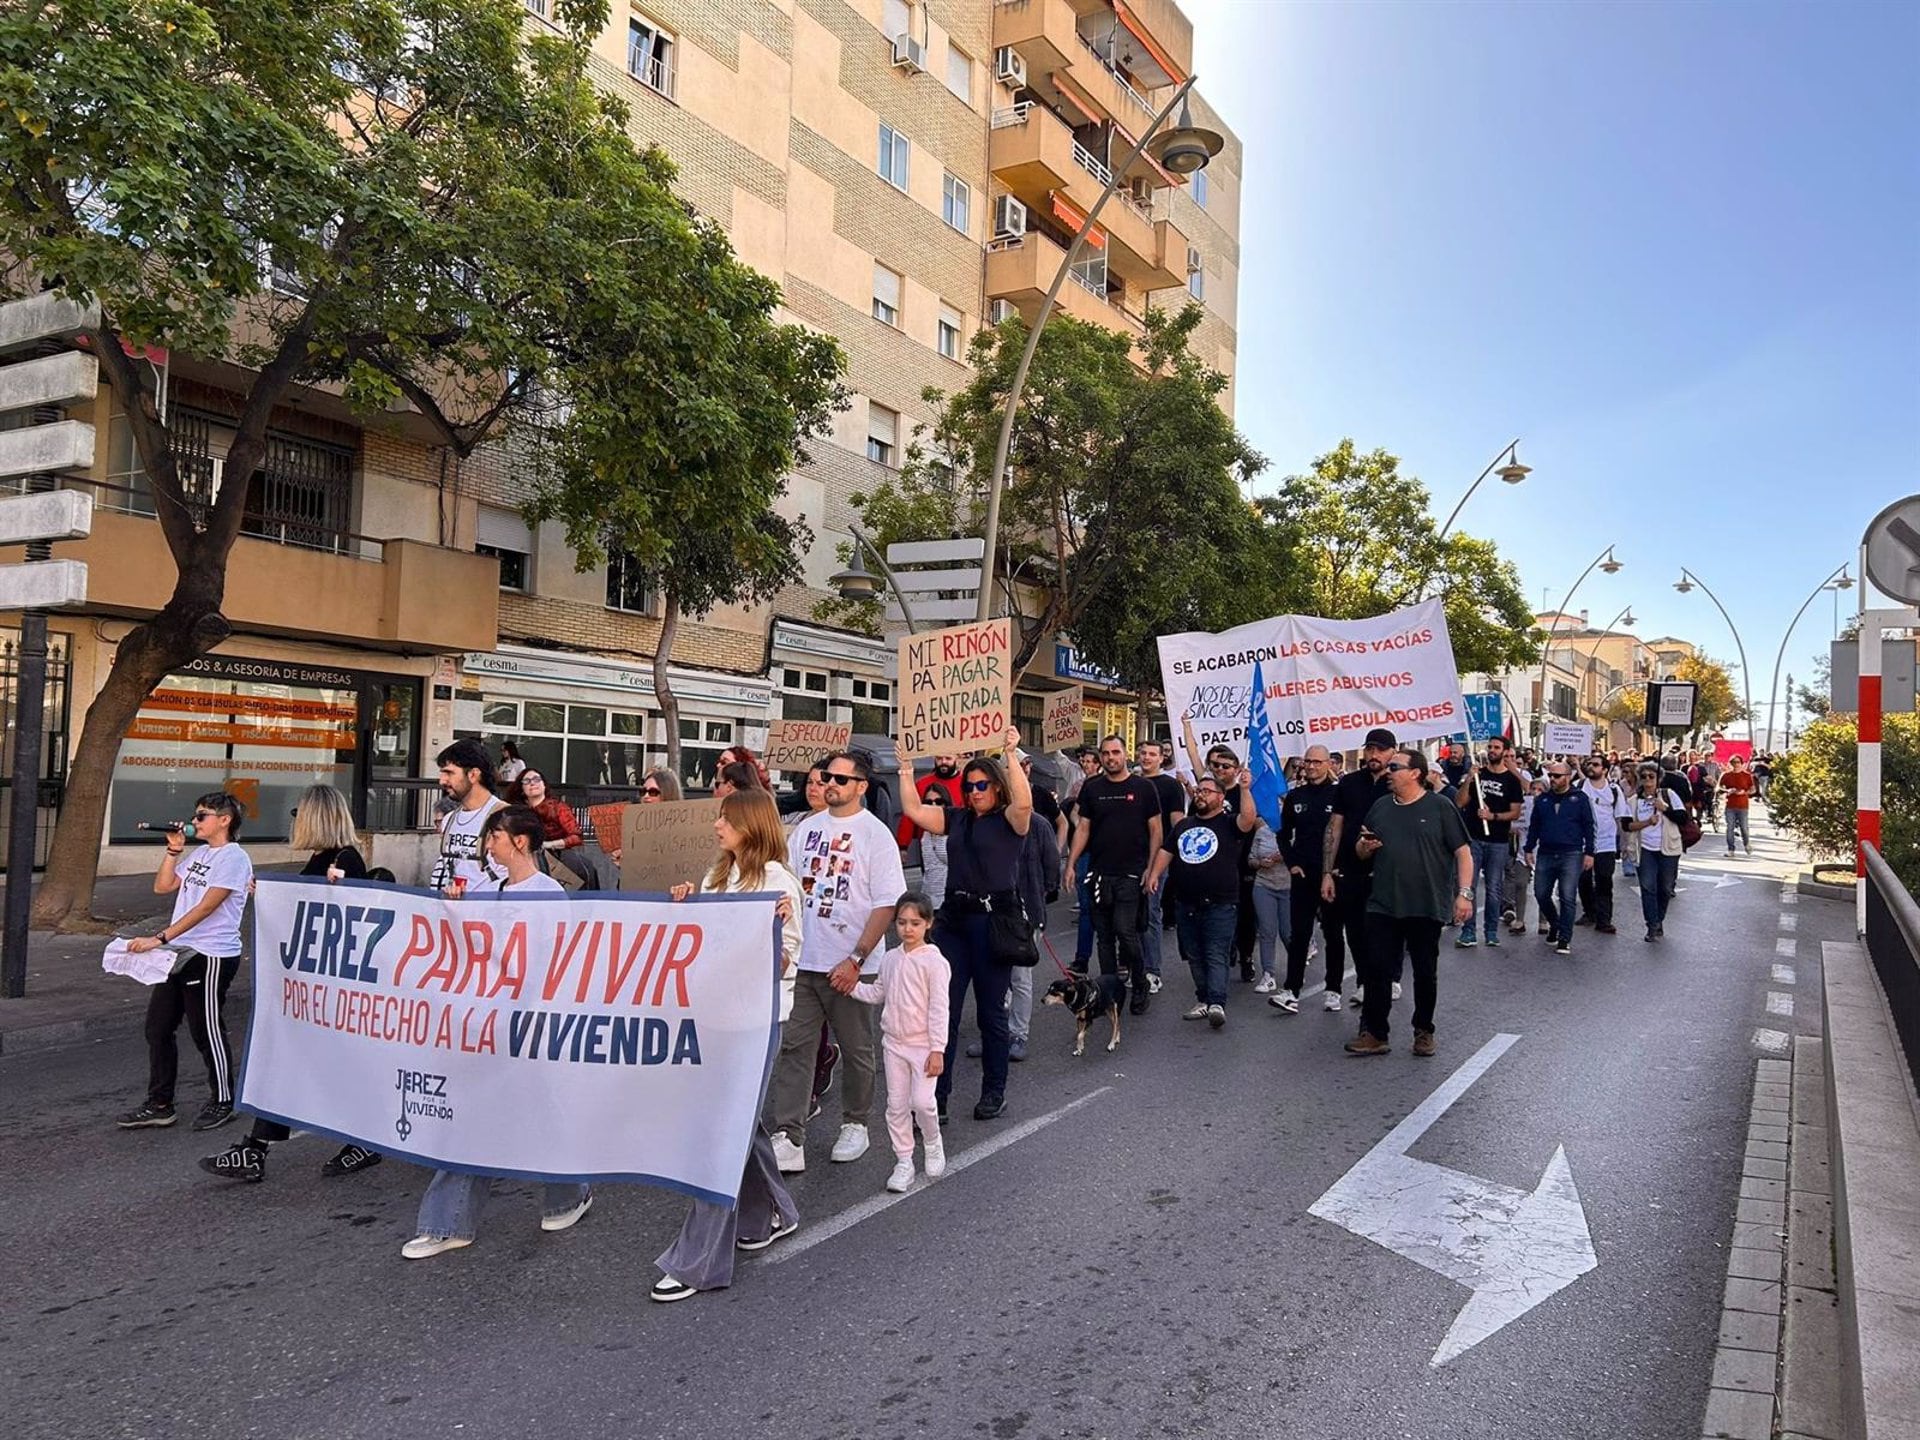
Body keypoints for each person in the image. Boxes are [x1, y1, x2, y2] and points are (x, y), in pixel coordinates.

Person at [402, 806, 585, 1260]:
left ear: (520, 842)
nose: (488, 846)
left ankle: (568, 1192)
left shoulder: (548, 895)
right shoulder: (488, 890)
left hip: (528, 1024)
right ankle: (449, 1223)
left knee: (538, 1114)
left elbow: (560, 964)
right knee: (473, 1114)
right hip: (487, 1024)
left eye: (495, 837)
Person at [651, 789, 805, 1300]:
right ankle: (772, 1212)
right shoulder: (718, 877)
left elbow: (787, 963)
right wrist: (683, 908)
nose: (716, 824)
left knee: (723, 1131)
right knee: (743, 1124)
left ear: (749, 825)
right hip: (717, 1017)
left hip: (756, 1021)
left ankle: (696, 1261)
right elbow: (703, 944)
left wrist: (772, 932)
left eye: (725, 818)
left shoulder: (779, 882)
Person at [199, 785, 381, 1182]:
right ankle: (256, 1148)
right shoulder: (322, 858)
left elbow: (353, 914)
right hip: (314, 986)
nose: (295, 820)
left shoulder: (345, 858)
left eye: (301, 813)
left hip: (336, 987)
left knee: (331, 1064)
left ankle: (363, 1137)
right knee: (291, 1062)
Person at [771, 751, 904, 1172]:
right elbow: (788, 888)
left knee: (856, 1047)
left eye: (840, 779)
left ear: (861, 787)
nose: (830, 784)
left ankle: (856, 1123)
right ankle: (789, 1135)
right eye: (827, 776)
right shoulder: (806, 828)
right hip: (805, 961)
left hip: (850, 964)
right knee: (796, 1047)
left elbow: (886, 905)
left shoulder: (875, 835)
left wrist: (856, 957)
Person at [896, 730, 1033, 1123]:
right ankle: (937, 1098)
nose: (974, 792)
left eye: (982, 785)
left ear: (996, 786)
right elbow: (915, 812)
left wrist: (1009, 753)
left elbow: (1022, 802)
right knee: (944, 1012)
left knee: (991, 1013)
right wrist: (907, 770)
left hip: (994, 923)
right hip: (955, 921)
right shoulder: (955, 818)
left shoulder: (1011, 820)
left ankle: (994, 1091)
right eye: (969, 786)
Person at [116, 792, 255, 1131]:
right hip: (179, 952)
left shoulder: (234, 859)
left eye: (202, 816)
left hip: (210, 955)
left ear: (224, 820)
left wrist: (159, 937)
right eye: (195, 816)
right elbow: (164, 886)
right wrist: (174, 850)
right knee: (158, 1028)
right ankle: (160, 1103)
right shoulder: (200, 854)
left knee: (205, 1029)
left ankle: (224, 1098)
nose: (195, 822)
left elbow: (206, 907)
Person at [1345, 749, 1472, 1058]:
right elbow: (1362, 850)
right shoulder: (1380, 807)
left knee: (1424, 972)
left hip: (1425, 904)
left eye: (1395, 766)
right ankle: (1375, 1033)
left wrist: (1464, 894)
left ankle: (1423, 1030)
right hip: (1383, 902)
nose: (1388, 771)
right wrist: (1364, 846)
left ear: (1415, 773)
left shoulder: (1440, 807)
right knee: (1377, 969)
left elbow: (1463, 853)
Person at [838, 892, 949, 1193]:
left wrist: (937, 1048)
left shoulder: (935, 963)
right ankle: (904, 1160)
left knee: (923, 1103)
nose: (907, 929)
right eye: (901, 922)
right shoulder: (890, 959)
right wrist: (851, 988)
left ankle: (932, 1142)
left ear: (928, 924)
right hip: (894, 1045)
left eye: (915, 923)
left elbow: (940, 1008)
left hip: (924, 1045)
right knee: (896, 1106)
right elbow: (877, 994)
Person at [1147, 767, 1258, 1028]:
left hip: (1220, 902)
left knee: (1215, 953)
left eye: (1207, 791)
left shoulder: (1230, 823)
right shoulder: (1185, 824)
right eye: (1198, 791)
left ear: (1221, 797)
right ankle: (1204, 999)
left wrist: (1244, 788)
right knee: (1194, 954)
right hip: (1186, 902)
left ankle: (1217, 1002)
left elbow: (1249, 818)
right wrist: (1154, 874)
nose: (1200, 795)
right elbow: (1167, 850)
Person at [1063, 734, 1163, 1015]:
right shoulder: (1092, 788)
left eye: (1115, 752)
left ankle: (1140, 981)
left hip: (1132, 874)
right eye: (1105, 753)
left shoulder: (1143, 787)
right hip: (1099, 873)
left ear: (1125, 754)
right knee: (1104, 936)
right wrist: (1071, 863)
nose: (1110, 758)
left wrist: (1152, 868)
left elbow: (1156, 830)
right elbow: (1083, 827)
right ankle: (1109, 990)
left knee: (1125, 931)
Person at [1322, 728, 1396, 1010]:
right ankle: (1365, 982)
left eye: (1380, 749)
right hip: (1351, 871)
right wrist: (1327, 872)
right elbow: (1335, 828)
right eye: (1370, 749)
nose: (1373, 755)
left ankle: (1382, 980)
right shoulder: (1349, 783)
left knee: (1381, 932)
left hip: (1387, 872)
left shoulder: (1396, 783)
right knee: (1354, 931)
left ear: (1392, 751)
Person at [1273, 745, 1343, 1014]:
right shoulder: (1295, 796)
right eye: (1307, 762)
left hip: (1331, 875)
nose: (1311, 767)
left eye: (1316, 762)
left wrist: (1336, 868)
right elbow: (1282, 834)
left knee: (1333, 933)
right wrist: (1291, 863)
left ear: (1328, 763)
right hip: (1303, 875)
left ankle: (1334, 989)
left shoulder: (1338, 794)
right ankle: (1291, 989)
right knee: (1299, 933)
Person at [1455, 738, 1523, 949]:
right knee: (1469, 887)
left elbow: (1515, 812)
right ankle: (1468, 932)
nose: (1492, 751)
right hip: (1474, 838)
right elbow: (1460, 801)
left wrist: (1492, 816)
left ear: (1505, 751)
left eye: (1497, 748)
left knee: (1494, 888)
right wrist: (1469, 779)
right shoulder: (1478, 774)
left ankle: (1491, 931)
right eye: (1490, 747)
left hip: (1498, 841)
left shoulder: (1511, 780)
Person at [1523, 762, 1596, 957]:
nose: (1553, 779)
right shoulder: (1543, 800)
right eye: (1551, 775)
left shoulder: (1580, 799)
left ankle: (1564, 937)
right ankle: (1555, 923)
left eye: (1557, 776)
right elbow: (1534, 826)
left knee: (1567, 896)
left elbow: (1589, 826)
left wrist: (1589, 852)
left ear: (1568, 776)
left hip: (1571, 853)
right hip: (1546, 852)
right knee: (1541, 893)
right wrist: (1528, 848)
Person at [1134, 738, 1186, 994]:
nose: (1146, 758)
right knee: (1128, 916)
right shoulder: (1131, 782)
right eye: (1143, 753)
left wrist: (1176, 853)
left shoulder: (1170, 786)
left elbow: (1177, 821)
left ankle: (1152, 971)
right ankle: (1134, 967)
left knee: (1151, 913)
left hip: (1158, 858)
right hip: (1129, 858)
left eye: (1152, 754)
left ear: (1161, 758)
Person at [429, 739, 507, 896]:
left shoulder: (505, 817)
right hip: (455, 914)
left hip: (494, 914)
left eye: (449, 773)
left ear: (473, 774)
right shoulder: (449, 819)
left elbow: (522, 877)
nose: (442, 781)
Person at [1624, 761, 1689, 940]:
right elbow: (1627, 825)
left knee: (1665, 887)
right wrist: (1647, 822)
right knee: (1647, 887)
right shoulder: (1634, 801)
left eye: (1651, 776)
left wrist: (1664, 808)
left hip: (1668, 848)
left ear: (1659, 778)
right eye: (1643, 777)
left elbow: (1683, 818)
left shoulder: (1669, 795)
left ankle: (1659, 919)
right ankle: (1652, 925)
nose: (1647, 780)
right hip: (1644, 849)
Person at [1575, 756, 1632, 935]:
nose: (1591, 767)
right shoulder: (1579, 786)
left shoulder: (1614, 790)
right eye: (1589, 764)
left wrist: (1625, 844)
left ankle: (1604, 919)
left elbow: (1620, 817)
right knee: (1583, 880)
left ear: (1605, 770)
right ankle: (1589, 912)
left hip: (1606, 843)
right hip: (1582, 843)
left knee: (1604, 881)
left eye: (1596, 765)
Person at [897, 756, 962, 907]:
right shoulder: (922, 784)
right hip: (926, 843)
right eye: (939, 758)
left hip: (955, 843)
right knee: (931, 877)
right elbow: (909, 815)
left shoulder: (965, 784)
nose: (943, 762)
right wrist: (903, 846)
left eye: (948, 758)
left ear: (956, 758)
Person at [517, 768, 597, 888]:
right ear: (522, 789)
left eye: (536, 779)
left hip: (559, 856)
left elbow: (576, 837)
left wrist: (549, 844)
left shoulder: (559, 808)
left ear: (544, 785)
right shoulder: (517, 811)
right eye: (527, 781)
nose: (532, 783)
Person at [1246, 805, 1292, 995]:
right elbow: (1251, 859)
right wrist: (1260, 863)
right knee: (1267, 931)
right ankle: (1268, 975)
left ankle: (1295, 970)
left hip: (1288, 886)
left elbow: (1303, 857)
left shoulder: (1293, 832)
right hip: (1264, 884)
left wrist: (1285, 855)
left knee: (1288, 933)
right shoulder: (1262, 832)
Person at [1719, 753, 1756, 856]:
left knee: (1744, 827)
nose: (1736, 764)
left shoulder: (1747, 775)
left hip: (1743, 805)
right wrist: (1727, 790)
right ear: (1730, 763)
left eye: (1738, 762)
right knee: (1730, 827)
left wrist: (1744, 792)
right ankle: (1731, 849)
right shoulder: (1726, 775)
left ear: (1741, 763)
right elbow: (1719, 787)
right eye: (1733, 762)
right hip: (1730, 805)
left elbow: (1753, 789)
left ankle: (1746, 844)